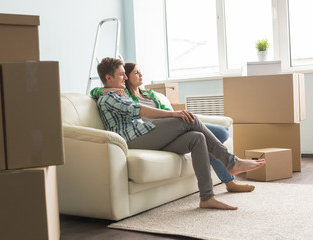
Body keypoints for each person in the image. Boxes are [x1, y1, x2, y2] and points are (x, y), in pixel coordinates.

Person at [95, 57, 265, 210]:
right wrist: (173, 114)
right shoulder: (108, 97)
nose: (125, 77)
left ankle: (207, 197)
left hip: (144, 134)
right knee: (189, 119)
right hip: (133, 139)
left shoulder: (119, 93)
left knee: (197, 138)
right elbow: (139, 110)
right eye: (121, 74)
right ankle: (231, 162)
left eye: (125, 74)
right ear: (108, 78)